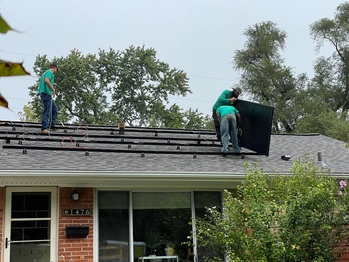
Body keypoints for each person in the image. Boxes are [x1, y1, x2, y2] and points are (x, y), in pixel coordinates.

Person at [38, 63, 58, 134]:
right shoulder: (50, 72)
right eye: (56, 70)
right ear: (55, 68)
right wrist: (53, 89)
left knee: (54, 109)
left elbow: (47, 81)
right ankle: (44, 128)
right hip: (46, 94)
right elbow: (46, 80)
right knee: (47, 110)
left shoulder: (45, 73)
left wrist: (53, 84)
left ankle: (51, 125)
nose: (56, 71)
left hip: (45, 94)